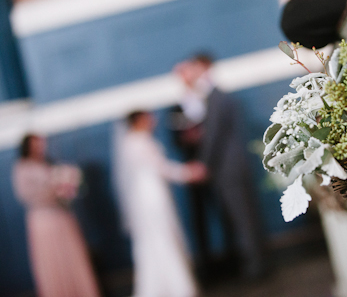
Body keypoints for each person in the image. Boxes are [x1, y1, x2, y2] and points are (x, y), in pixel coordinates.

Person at [173, 54, 264, 280]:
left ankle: (256, 267)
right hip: (233, 166)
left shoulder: (214, 98)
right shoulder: (218, 97)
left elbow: (213, 136)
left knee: (242, 219)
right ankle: (257, 263)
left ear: (203, 69)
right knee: (246, 217)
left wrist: (203, 164)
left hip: (227, 169)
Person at [116, 110, 206, 297]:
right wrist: (188, 172)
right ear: (139, 121)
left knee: (156, 238)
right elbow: (162, 168)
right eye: (148, 117)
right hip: (152, 197)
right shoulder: (139, 142)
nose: (153, 120)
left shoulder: (131, 143)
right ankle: (175, 286)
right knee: (162, 236)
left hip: (147, 195)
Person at [12, 134, 101, 297]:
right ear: (28, 146)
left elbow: (66, 185)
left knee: (70, 256)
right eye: (36, 144)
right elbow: (25, 196)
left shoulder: (48, 162)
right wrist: (52, 190)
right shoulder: (22, 167)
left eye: (41, 143)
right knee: (52, 260)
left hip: (61, 216)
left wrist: (66, 188)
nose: (41, 147)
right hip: (43, 219)